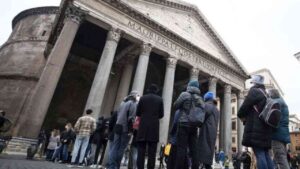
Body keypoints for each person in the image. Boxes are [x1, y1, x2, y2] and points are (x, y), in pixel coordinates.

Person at [238, 75, 274, 169]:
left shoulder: (254, 91)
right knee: (266, 154)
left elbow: (243, 108)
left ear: (255, 83)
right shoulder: (266, 94)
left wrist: (241, 115)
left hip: (256, 128)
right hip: (266, 129)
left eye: (252, 83)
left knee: (259, 154)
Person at [173, 80, 204, 169]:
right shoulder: (200, 98)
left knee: (181, 149)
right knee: (194, 150)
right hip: (194, 126)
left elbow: (175, 105)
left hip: (184, 123)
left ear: (189, 86)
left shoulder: (184, 94)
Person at [136, 84, 164, 169]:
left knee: (141, 150)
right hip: (154, 127)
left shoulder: (143, 98)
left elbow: (137, 113)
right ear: (156, 91)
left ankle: (140, 167)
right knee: (152, 151)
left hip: (143, 127)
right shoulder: (160, 99)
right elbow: (161, 114)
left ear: (148, 90)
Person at [108, 91, 139, 169]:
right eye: (138, 95)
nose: (139, 97)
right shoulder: (133, 104)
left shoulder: (122, 103)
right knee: (122, 148)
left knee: (114, 147)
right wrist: (130, 130)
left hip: (117, 126)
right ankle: (116, 165)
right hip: (125, 128)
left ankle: (111, 166)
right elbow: (131, 119)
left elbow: (119, 115)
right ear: (135, 96)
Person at [269, 89, 290, 169]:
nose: (269, 96)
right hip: (282, 135)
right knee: (281, 157)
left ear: (272, 95)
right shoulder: (282, 102)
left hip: (276, 135)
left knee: (281, 158)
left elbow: (272, 118)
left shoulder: (276, 102)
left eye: (269, 94)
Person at [197, 92, 220, 169]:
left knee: (202, 154)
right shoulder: (216, 109)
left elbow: (200, 119)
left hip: (205, 131)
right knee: (208, 154)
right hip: (212, 132)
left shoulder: (207, 106)